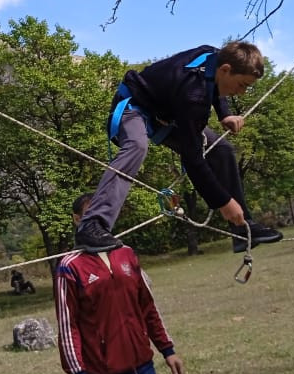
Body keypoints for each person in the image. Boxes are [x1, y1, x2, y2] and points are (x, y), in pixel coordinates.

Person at [75, 41, 283, 253]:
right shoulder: (194, 95)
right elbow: (192, 160)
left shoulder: (214, 55)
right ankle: (92, 225)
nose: (242, 92)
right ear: (226, 69)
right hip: (134, 105)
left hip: (166, 114)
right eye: (242, 85)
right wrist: (223, 202)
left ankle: (242, 229)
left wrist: (224, 113)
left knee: (222, 150)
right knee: (137, 146)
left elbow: (213, 81)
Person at [57, 194, 184, 374]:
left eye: (104, 212)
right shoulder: (70, 266)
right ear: (77, 219)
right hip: (103, 369)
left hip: (143, 365)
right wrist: (78, 373)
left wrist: (167, 350)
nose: (100, 218)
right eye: (91, 214)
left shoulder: (126, 253)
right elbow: (68, 326)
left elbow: (147, 306)